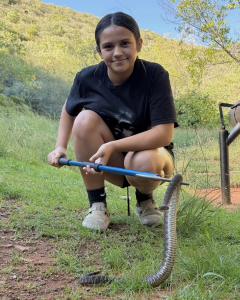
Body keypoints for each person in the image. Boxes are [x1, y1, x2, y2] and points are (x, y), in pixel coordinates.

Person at [48, 12, 178, 232]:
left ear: (139, 44)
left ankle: (145, 199)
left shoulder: (155, 74)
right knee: (84, 118)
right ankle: (97, 205)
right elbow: (69, 109)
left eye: (125, 43)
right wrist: (60, 146)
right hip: (112, 162)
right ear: (99, 51)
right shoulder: (86, 78)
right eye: (108, 47)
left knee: (143, 161)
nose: (117, 53)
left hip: (152, 161)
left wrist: (112, 145)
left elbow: (164, 135)